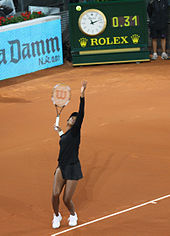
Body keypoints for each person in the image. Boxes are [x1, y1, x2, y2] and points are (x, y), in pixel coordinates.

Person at [52, 81, 87, 229]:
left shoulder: (75, 132)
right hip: (61, 166)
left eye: (76, 118)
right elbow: (64, 141)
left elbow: (82, 114)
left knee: (66, 199)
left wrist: (82, 94)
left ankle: (73, 214)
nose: (74, 118)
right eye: (72, 117)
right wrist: (59, 131)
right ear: (68, 120)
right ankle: (56, 216)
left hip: (73, 168)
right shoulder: (65, 135)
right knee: (54, 194)